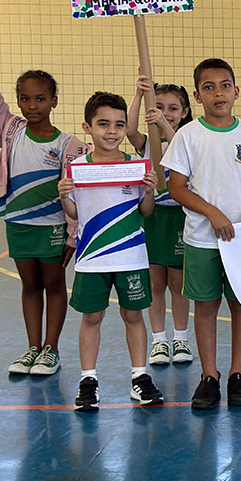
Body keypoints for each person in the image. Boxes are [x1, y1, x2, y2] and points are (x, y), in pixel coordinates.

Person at [0, 23, 88, 377]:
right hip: (19, 225)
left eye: (40, 99)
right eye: (25, 98)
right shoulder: (11, 130)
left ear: (53, 101)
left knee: (54, 285)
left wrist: (73, 235)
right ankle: (32, 348)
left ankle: (51, 349)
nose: (32, 105)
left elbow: (77, 195)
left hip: (53, 228)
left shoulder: (68, 144)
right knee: (28, 286)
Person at [164, 58, 241, 410]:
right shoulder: (187, 136)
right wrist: (211, 212)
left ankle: (238, 373)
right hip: (202, 239)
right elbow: (177, 187)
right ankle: (209, 376)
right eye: (208, 87)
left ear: (236, 91)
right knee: (206, 307)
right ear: (197, 95)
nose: (218, 93)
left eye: (224, 85)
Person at [58, 91, 163, 410]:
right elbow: (74, 214)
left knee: (134, 315)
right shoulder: (77, 167)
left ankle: (140, 377)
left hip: (131, 256)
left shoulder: (136, 165)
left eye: (119, 124)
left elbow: (146, 211)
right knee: (92, 317)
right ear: (87, 127)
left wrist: (149, 190)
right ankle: (88, 379)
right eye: (103, 124)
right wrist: (64, 194)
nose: (112, 131)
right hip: (91, 259)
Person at [126, 73, 195, 366]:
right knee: (155, 283)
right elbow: (129, 129)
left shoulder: (187, 141)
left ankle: (181, 338)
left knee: (178, 282)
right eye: (161, 106)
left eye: (173, 108)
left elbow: (177, 143)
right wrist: (140, 95)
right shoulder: (146, 143)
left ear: (185, 112)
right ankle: (159, 341)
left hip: (180, 216)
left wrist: (163, 123)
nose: (166, 113)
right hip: (153, 216)